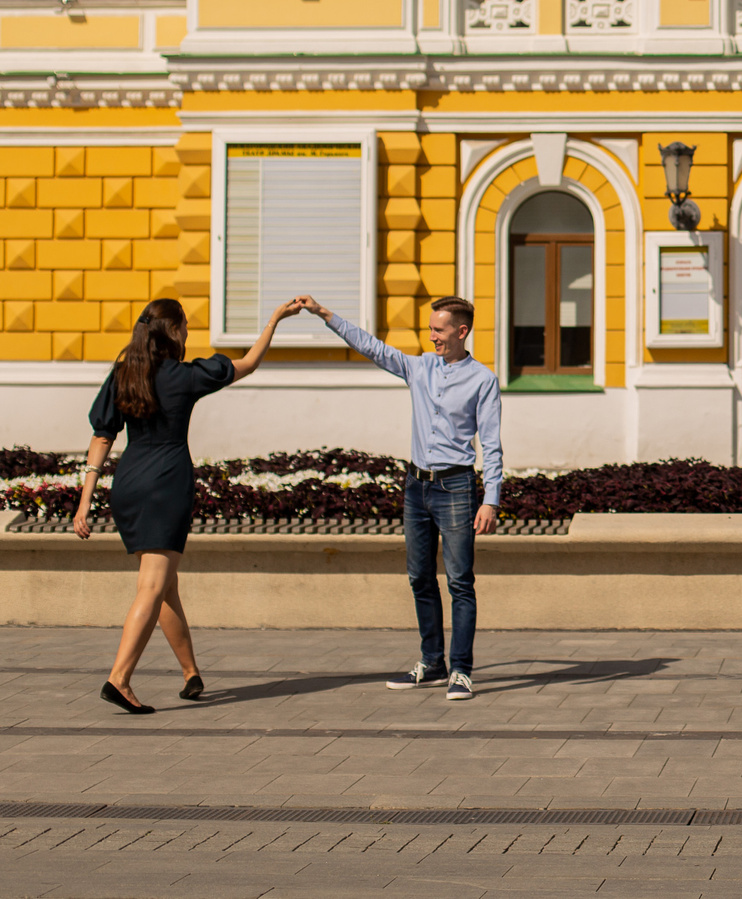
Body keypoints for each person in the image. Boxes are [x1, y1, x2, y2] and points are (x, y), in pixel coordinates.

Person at [74, 296, 292, 714]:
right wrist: (273, 320)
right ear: (173, 332)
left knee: (165, 584)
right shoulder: (184, 376)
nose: (189, 332)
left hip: (128, 483)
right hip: (166, 483)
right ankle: (119, 679)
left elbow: (102, 437)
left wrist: (85, 501)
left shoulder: (123, 374)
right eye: (186, 325)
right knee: (152, 586)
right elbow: (247, 364)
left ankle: (191, 673)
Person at [296, 293, 501, 702]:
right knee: (419, 578)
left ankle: (461, 670)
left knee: (460, 581)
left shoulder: (483, 380)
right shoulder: (419, 367)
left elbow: (492, 445)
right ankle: (432, 662)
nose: (432, 337)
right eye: (430, 329)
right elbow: (371, 346)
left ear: (462, 331)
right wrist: (325, 315)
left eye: (439, 330)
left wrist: (491, 499)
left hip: (457, 487)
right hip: (415, 486)